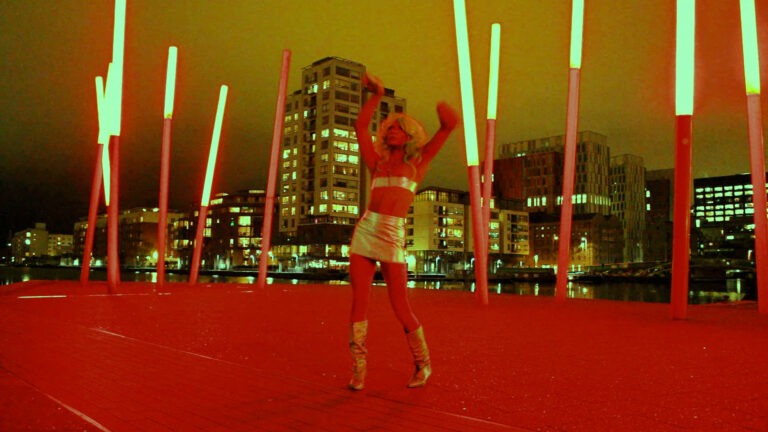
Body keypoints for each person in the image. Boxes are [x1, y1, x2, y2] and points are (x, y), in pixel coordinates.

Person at [347, 72, 459, 391]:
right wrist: (377, 94)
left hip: (393, 235)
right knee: (359, 302)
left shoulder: (418, 163)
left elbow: (447, 129)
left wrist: (447, 120)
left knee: (400, 306)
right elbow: (359, 127)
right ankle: (358, 369)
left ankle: (423, 365)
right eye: (390, 127)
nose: (393, 130)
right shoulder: (376, 163)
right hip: (366, 230)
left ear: (409, 136)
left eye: (400, 127)